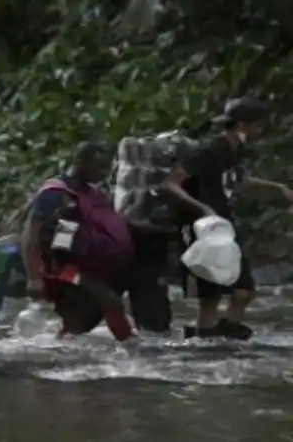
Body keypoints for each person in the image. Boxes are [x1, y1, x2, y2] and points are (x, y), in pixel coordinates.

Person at [160, 97, 293, 340]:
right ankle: (207, 340)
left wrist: (277, 187)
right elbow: (170, 184)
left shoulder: (233, 150)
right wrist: (202, 208)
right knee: (210, 296)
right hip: (204, 229)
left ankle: (226, 334)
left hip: (225, 227)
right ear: (243, 125)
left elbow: (237, 180)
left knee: (244, 290)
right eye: (259, 126)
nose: (261, 132)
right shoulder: (210, 150)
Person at [22, 142, 136, 342]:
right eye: (99, 167)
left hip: (82, 264)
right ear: (79, 162)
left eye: (106, 167)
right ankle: (132, 345)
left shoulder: (88, 192)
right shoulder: (55, 192)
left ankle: (60, 342)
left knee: (84, 318)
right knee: (111, 302)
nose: (104, 173)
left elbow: (69, 229)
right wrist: (33, 277)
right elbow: (31, 234)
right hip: (57, 267)